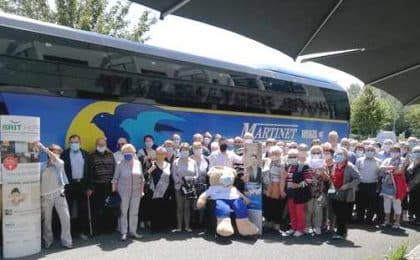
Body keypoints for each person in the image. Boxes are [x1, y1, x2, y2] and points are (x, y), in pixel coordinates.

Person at [36, 142, 72, 249]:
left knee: (66, 218)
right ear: (49, 154)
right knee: (46, 221)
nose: (56, 155)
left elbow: (56, 160)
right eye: (54, 153)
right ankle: (48, 240)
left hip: (59, 194)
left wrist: (42, 147)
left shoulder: (60, 163)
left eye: (58, 153)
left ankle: (67, 241)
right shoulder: (41, 166)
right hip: (45, 196)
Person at [112, 144, 144, 241]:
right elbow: (115, 178)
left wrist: (142, 191)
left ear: (134, 153)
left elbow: (142, 178)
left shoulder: (138, 163)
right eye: (125, 152)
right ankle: (124, 232)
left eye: (130, 152)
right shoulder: (119, 164)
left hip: (136, 191)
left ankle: (133, 231)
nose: (128, 154)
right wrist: (114, 191)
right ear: (122, 153)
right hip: (123, 192)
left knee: (134, 212)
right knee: (123, 212)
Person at [61, 134, 91, 240]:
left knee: (83, 210)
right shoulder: (64, 154)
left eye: (76, 142)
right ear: (69, 143)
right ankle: (68, 233)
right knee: (67, 210)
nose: (74, 144)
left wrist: (89, 187)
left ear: (80, 142)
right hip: (69, 185)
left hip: (82, 185)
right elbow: (61, 171)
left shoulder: (86, 154)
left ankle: (82, 231)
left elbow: (90, 172)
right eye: (72, 142)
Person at [329, 148, 360, 239]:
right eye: (337, 154)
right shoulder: (335, 165)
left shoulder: (350, 166)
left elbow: (358, 178)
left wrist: (348, 185)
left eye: (341, 154)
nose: (338, 156)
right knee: (337, 212)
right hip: (335, 192)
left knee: (342, 214)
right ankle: (340, 230)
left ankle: (341, 232)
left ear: (346, 156)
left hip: (346, 193)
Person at [88, 138, 116, 234]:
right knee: (97, 208)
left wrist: (114, 184)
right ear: (96, 145)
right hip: (97, 186)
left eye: (103, 144)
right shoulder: (91, 156)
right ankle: (97, 229)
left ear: (106, 145)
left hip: (109, 185)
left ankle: (108, 228)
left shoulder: (110, 155)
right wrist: (90, 187)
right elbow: (89, 172)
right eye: (99, 144)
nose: (101, 146)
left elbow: (114, 169)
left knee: (108, 207)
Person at [284, 149, 311, 237]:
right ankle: (293, 227)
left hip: (300, 194)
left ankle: (300, 229)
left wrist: (298, 185)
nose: (292, 158)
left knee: (299, 212)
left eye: (294, 156)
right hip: (290, 193)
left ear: (298, 157)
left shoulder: (304, 166)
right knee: (292, 211)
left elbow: (309, 180)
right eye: (290, 156)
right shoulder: (288, 166)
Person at [172, 143, 199, 232]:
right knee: (179, 207)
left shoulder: (193, 162)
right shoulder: (176, 161)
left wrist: (189, 180)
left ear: (189, 151)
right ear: (180, 151)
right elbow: (174, 175)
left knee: (187, 207)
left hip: (189, 187)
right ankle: (179, 227)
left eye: (187, 150)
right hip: (179, 187)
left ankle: (187, 226)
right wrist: (181, 181)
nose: (185, 152)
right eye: (183, 150)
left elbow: (196, 175)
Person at [379, 145, 407, 228]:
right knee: (386, 204)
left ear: (399, 152)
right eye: (392, 151)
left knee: (397, 204)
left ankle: (397, 222)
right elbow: (381, 167)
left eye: (396, 151)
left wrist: (388, 169)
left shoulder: (403, 160)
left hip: (397, 185)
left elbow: (399, 170)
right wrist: (391, 167)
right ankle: (386, 220)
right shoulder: (387, 159)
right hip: (386, 185)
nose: (394, 153)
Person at [148, 146, 174, 232]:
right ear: (156, 154)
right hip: (154, 191)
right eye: (159, 154)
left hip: (166, 191)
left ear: (165, 155)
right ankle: (155, 228)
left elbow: (171, 179)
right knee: (155, 209)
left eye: (162, 154)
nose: (160, 155)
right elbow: (144, 176)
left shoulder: (169, 165)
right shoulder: (152, 164)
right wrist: (149, 170)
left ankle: (164, 227)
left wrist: (171, 192)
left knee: (165, 208)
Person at [305, 145, 329, 235]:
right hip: (308, 191)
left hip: (319, 191)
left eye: (318, 153)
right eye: (313, 152)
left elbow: (327, 179)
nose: (316, 154)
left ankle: (317, 226)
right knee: (308, 210)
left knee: (318, 210)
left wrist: (322, 173)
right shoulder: (307, 163)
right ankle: (307, 226)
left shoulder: (324, 164)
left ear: (321, 154)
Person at [355, 145, 381, 225]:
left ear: (374, 152)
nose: (369, 151)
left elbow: (380, 175)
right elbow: (356, 173)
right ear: (365, 151)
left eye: (371, 150)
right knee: (360, 203)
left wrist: (379, 186)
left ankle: (369, 219)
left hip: (373, 185)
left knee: (372, 204)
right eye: (368, 150)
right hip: (361, 184)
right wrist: (355, 185)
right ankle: (360, 219)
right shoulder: (359, 160)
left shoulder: (379, 161)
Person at [262, 146, 286, 231]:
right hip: (267, 187)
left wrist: (282, 190)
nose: (274, 155)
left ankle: (277, 224)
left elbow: (283, 178)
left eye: (276, 153)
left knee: (277, 206)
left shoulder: (282, 163)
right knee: (268, 205)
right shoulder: (267, 161)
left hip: (277, 187)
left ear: (280, 154)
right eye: (273, 153)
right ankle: (269, 223)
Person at [137, 135, 157, 229]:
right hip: (143, 179)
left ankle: (149, 220)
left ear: (153, 141)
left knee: (150, 201)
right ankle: (141, 220)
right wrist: (146, 158)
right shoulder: (141, 151)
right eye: (147, 141)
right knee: (142, 201)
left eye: (150, 141)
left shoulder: (156, 151)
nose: (148, 142)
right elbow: (139, 162)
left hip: (152, 180)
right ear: (144, 142)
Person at [407, 146, 420, 225]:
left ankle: (418, 218)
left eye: (419, 152)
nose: (417, 154)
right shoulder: (411, 162)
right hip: (412, 188)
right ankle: (411, 216)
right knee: (412, 202)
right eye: (415, 152)